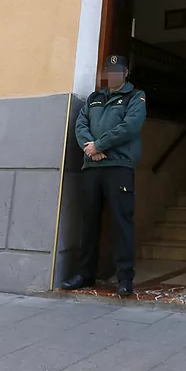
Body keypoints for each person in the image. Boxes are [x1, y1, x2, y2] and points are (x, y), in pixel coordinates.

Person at [60, 54, 147, 297]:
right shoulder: (94, 98)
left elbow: (130, 126)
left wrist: (100, 145)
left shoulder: (135, 97)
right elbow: (80, 125)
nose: (113, 75)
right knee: (89, 222)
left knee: (121, 221)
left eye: (118, 71)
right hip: (92, 167)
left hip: (119, 166)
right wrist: (90, 147)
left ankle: (125, 278)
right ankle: (85, 274)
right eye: (109, 71)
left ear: (126, 73)